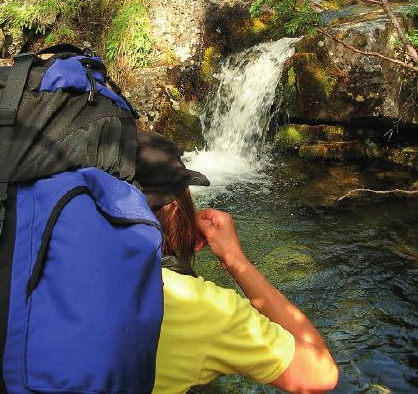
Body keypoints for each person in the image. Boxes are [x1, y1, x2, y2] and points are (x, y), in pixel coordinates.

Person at [135, 132, 339, 394]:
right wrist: (236, 260)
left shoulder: (70, 255)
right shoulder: (199, 306)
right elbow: (321, 373)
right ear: (176, 210)